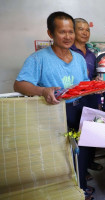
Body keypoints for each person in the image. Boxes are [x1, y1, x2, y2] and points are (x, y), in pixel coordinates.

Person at [14, 11, 93, 200]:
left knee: (79, 153)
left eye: (70, 32)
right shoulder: (38, 58)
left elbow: (83, 84)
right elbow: (19, 84)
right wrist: (43, 91)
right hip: (52, 115)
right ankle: (62, 191)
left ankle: (80, 188)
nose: (68, 37)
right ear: (50, 34)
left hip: (78, 111)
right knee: (57, 156)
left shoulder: (79, 59)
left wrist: (93, 87)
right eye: (62, 32)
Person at [71, 18, 103, 181]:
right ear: (73, 31)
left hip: (91, 97)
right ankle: (79, 169)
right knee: (76, 134)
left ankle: (89, 162)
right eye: (80, 29)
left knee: (90, 131)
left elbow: (91, 76)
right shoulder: (68, 52)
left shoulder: (92, 54)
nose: (85, 32)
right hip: (74, 99)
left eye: (87, 30)